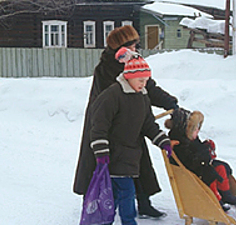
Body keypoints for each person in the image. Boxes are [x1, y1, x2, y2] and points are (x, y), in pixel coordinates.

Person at [73, 25, 179, 218]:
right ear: (122, 48)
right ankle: (95, 202)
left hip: (130, 120)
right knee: (101, 163)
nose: (136, 49)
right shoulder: (106, 68)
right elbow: (114, 97)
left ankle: (144, 202)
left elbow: (148, 86)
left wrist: (170, 102)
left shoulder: (132, 63)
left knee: (136, 160)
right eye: (133, 45)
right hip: (106, 123)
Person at [88, 48, 172, 225]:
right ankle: (128, 222)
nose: (144, 84)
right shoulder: (112, 95)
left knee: (117, 195)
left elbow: (148, 124)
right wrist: (101, 151)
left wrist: (163, 142)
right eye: (141, 80)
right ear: (128, 76)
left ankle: (103, 220)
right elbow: (99, 125)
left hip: (130, 156)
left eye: (146, 80)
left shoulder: (142, 97)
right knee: (126, 193)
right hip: (113, 155)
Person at [165, 109, 236, 210]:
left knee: (221, 166)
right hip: (192, 171)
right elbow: (189, 161)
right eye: (195, 128)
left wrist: (206, 147)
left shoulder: (190, 138)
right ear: (186, 128)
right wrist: (204, 153)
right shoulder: (179, 143)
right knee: (210, 175)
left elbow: (198, 150)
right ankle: (216, 199)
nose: (197, 130)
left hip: (200, 164)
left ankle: (226, 193)